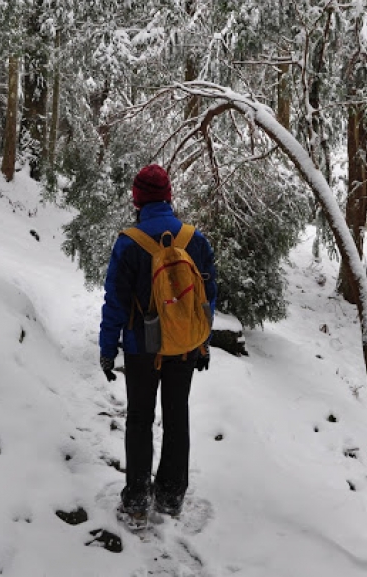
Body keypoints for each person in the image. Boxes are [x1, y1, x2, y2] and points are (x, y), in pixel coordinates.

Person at [99, 164, 217, 526]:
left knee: (139, 419)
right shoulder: (195, 240)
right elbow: (207, 299)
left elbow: (115, 301)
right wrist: (202, 342)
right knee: (176, 416)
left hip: (140, 347)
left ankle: (136, 500)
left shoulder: (128, 242)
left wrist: (107, 348)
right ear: (168, 196)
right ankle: (170, 496)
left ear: (137, 198)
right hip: (183, 345)